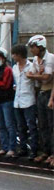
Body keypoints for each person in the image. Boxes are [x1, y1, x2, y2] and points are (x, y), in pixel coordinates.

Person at [27, 35, 54, 164]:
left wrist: (37, 76)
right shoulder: (36, 60)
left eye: (33, 47)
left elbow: (47, 77)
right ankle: (46, 151)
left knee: (51, 125)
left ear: (40, 46)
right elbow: (33, 75)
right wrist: (39, 75)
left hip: (50, 93)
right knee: (42, 125)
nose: (32, 50)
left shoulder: (50, 58)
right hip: (41, 93)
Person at [11, 44, 37, 159]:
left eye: (14, 54)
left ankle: (34, 149)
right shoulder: (14, 68)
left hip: (29, 100)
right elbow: (15, 81)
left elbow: (36, 84)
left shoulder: (31, 67)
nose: (13, 57)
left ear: (20, 55)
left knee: (31, 125)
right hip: (18, 100)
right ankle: (23, 148)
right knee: (20, 126)